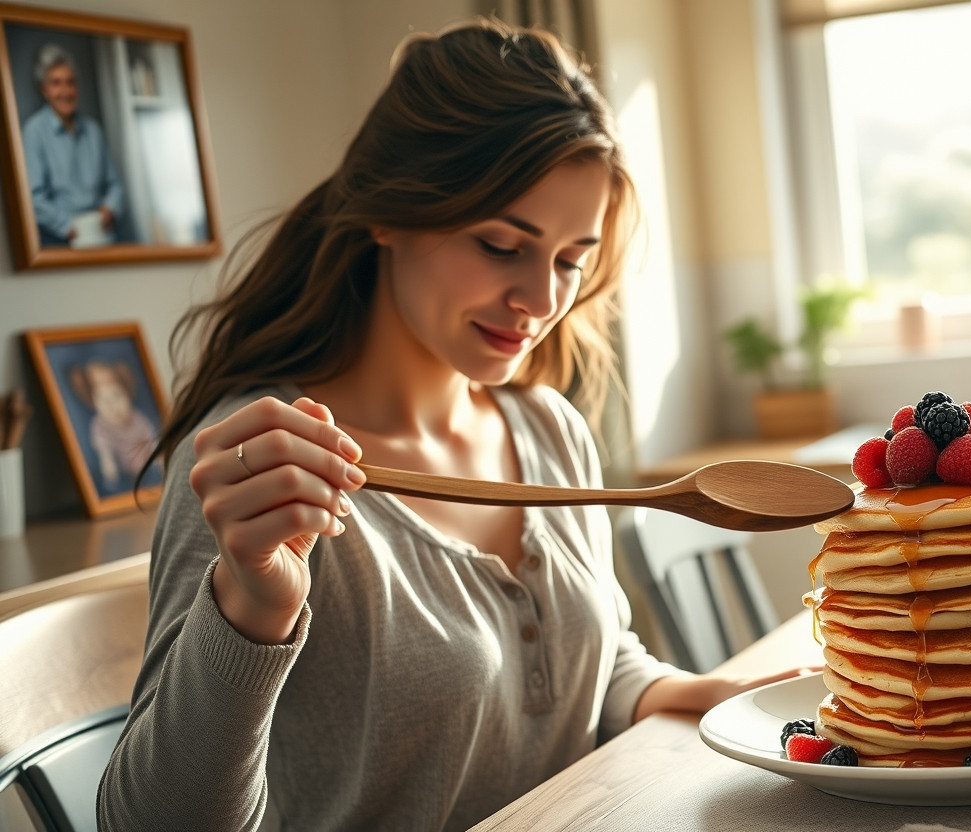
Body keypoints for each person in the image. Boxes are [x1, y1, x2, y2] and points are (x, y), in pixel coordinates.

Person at [98, 19, 799, 831]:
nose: (542, 300)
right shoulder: (267, 473)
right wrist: (251, 607)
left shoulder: (550, 431)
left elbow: (594, 662)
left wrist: (702, 694)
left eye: (571, 259)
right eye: (502, 245)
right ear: (389, 213)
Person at [21, 43, 125, 248]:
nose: (65, 91)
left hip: (102, 237)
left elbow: (115, 184)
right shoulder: (34, 131)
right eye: (56, 83)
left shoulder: (93, 130)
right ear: (45, 90)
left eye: (70, 82)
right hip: (61, 242)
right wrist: (70, 226)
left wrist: (109, 208)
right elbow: (33, 199)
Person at [68, 359, 158, 490]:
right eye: (104, 401)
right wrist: (110, 472)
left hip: (148, 466)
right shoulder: (99, 426)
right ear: (93, 403)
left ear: (127, 394)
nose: (112, 407)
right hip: (125, 472)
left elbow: (152, 439)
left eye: (116, 396)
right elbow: (105, 455)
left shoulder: (136, 418)